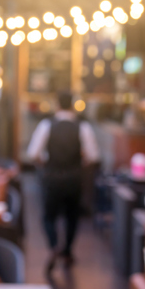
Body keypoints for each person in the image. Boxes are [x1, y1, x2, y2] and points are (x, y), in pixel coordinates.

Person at [27, 91, 100, 273]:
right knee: (72, 217)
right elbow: (93, 156)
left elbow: (33, 154)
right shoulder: (82, 127)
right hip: (74, 178)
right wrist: (78, 162)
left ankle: (53, 246)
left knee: (48, 216)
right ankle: (67, 251)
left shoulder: (47, 125)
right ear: (73, 105)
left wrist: (46, 162)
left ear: (57, 104)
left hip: (52, 177)